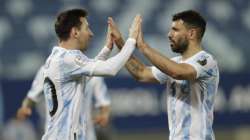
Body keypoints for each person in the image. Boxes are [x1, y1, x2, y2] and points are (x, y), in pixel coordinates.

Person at [109, 10, 219, 140]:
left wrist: (143, 47)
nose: (169, 34)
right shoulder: (175, 62)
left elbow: (177, 72)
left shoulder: (206, 61)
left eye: (175, 30)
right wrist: (120, 43)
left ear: (191, 33)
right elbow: (141, 73)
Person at [41, 8, 141, 140]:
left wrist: (107, 49)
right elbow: (110, 69)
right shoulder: (68, 58)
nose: (91, 34)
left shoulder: (58, 58)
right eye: (87, 28)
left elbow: (88, 74)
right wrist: (132, 39)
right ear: (75, 32)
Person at [16, 66, 111, 140]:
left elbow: (104, 101)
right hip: (55, 136)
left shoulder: (91, 71)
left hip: (85, 135)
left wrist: (104, 114)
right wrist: (25, 106)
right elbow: (32, 96)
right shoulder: (46, 70)